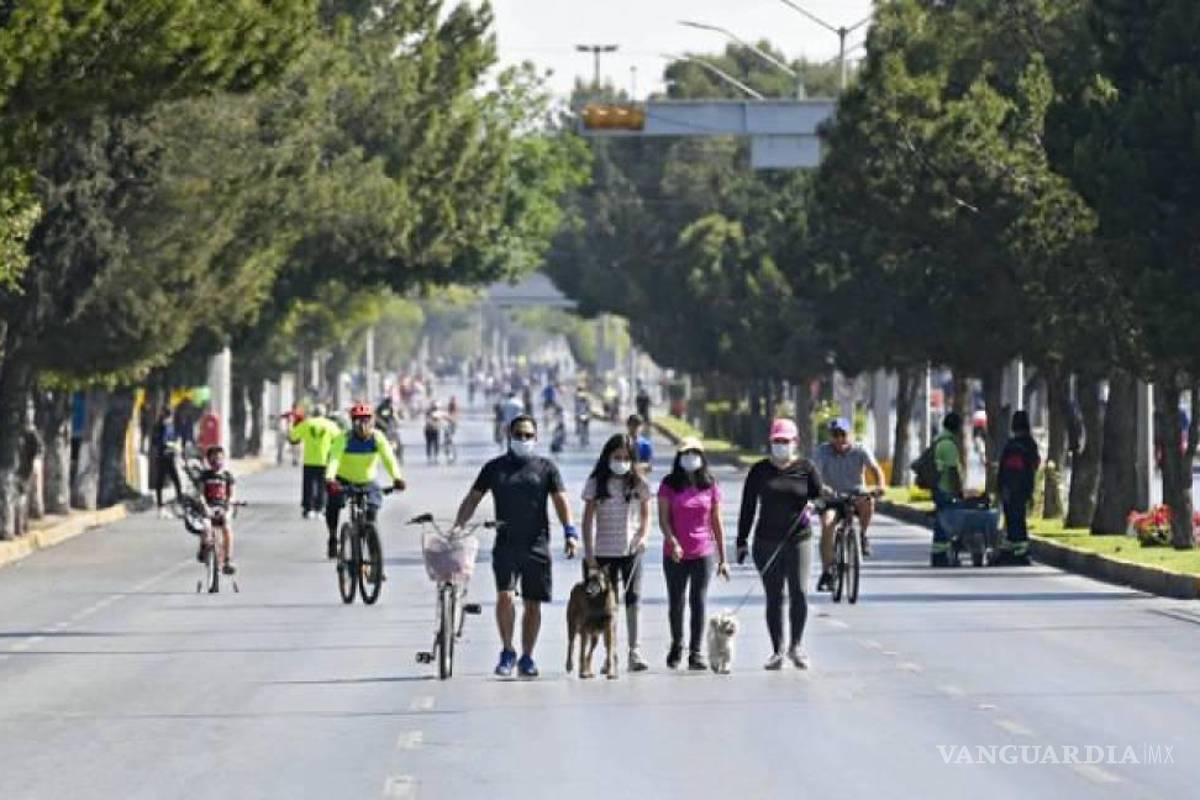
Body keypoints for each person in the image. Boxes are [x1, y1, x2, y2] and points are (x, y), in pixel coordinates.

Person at [452, 415, 578, 678]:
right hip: (506, 544)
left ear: (536, 437)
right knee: (505, 596)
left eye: (528, 435)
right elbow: (473, 498)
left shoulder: (546, 468)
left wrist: (570, 532)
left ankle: (527, 657)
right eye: (518, 434)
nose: (523, 439)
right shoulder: (495, 468)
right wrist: (458, 526)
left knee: (533, 604)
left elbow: (561, 501)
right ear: (509, 436)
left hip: (537, 544)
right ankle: (507, 650)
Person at [737, 419, 821, 670]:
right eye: (777, 441)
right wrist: (741, 540)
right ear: (770, 442)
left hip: (799, 538)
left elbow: (819, 495)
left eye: (785, 441)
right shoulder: (760, 470)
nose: (781, 445)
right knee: (774, 596)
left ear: (795, 442)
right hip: (766, 541)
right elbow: (748, 507)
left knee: (800, 592)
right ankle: (777, 650)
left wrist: (813, 506)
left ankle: (796, 646)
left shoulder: (806, 468)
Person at [657, 437, 730, 671]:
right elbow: (663, 520)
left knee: (698, 601)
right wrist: (672, 541)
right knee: (676, 602)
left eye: (694, 452)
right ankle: (677, 644)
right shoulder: (668, 484)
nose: (690, 457)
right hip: (675, 553)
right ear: (678, 457)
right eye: (685, 453)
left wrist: (723, 558)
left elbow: (717, 522)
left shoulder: (710, 484)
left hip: (703, 552)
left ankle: (696, 652)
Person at [581, 434, 653, 672]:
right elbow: (587, 521)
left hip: (631, 550)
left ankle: (635, 651)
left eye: (625, 458)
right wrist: (590, 557)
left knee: (633, 599)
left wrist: (643, 536)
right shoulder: (595, 483)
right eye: (616, 457)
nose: (621, 462)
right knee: (605, 608)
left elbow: (646, 515)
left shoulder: (639, 483)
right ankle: (608, 656)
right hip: (602, 554)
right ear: (607, 457)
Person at [324, 403, 407, 560]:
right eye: (358, 421)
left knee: (372, 515)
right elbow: (334, 458)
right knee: (333, 504)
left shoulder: (377, 438)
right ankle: (333, 537)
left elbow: (389, 459)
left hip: (367, 481)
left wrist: (397, 478)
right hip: (344, 479)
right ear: (352, 423)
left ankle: (374, 556)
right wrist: (330, 479)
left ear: (372, 422)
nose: (363, 426)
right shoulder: (344, 438)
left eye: (366, 421)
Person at [815, 417, 886, 589]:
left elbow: (876, 470)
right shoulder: (823, 451)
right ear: (830, 436)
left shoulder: (860, 450)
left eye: (843, 435)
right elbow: (814, 474)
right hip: (832, 498)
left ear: (850, 435)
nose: (840, 439)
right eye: (835, 435)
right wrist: (821, 488)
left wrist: (880, 486)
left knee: (868, 502)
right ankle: (827, 572)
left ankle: (862, 535)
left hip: (856, 496)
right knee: (827, 524)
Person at [996, 410, 1040, 565]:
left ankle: (1015, 551)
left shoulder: (1011, 445)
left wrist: (999, 488)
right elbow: (1035, 465)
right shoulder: (1031, 444)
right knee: (1019, 519)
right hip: (1024, 488)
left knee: (1012, 519)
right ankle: (1019, 550)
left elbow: (1003, 469)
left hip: (1009, 489)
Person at [289, 404, 340, 519]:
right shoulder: (330, 425)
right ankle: (320, 508)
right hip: (324, 460)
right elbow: (339, 439)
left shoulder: (307, 423)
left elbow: (293, 436)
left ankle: (308, 509)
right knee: (323, 486)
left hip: (309, 460)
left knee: (309, 485)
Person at [930, 412, 965, 567]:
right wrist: (959, 490)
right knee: (948, 522)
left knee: (941, 520)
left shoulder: (937, 440)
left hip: (936, 487)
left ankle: (938, 554)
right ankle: (942, 555)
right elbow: (952, 471)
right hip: (945, 488)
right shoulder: (949, 444)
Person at [196, 445, 237, 574]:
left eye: (219, 459)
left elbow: (232, 495)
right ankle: (204, 547)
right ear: (208, 461)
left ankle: (227, 559)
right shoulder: (205, 476)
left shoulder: (227, 476)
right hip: (209, 507)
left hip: (223, 507)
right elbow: (201, 494)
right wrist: (205, 506)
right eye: (213, 459)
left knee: (226, 526)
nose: (217, 462)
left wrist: (229, 504)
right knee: (206, 526)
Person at [150, 406, 183, 518]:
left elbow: (173, 438)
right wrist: (171, 445)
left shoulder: (170, 426)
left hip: (170, 456)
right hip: (163, 456)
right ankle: (161, 506)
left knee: (175, 480)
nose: (169, 418)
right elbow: (159, 441)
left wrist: (176, 444)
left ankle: (178, 502)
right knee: (163, 481)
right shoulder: (160, 426)